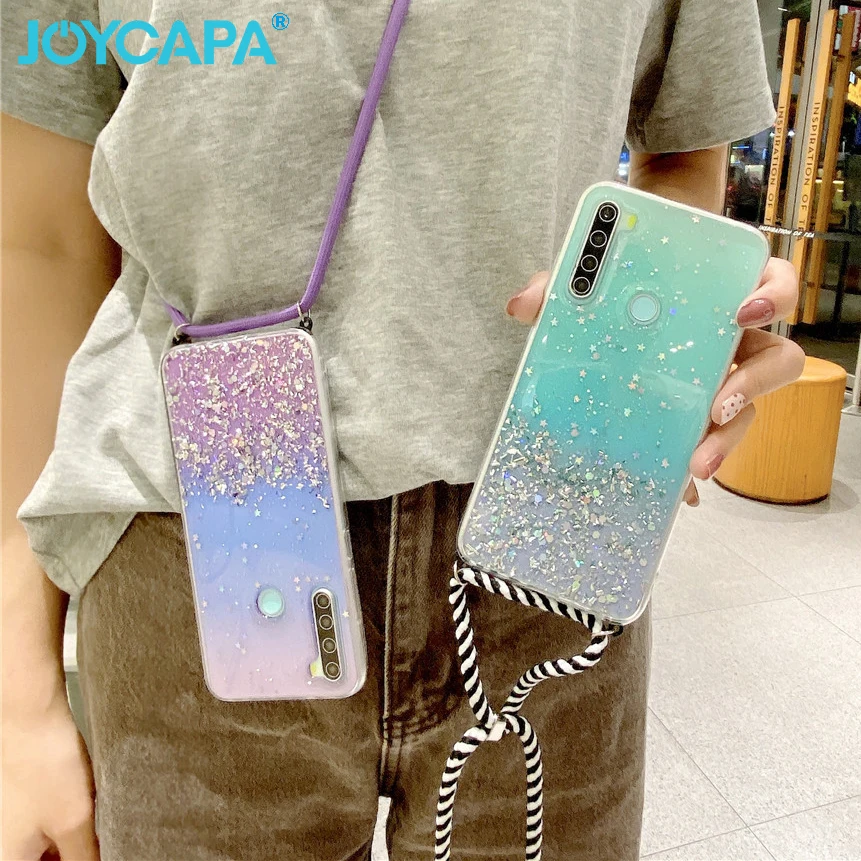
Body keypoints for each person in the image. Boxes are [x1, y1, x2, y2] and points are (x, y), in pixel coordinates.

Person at [1, 2, 804, 859]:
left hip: (546, 518)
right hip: (194, 524)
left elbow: (682, 147)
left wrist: (668, 325)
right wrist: (18, 684)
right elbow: (42, 236)